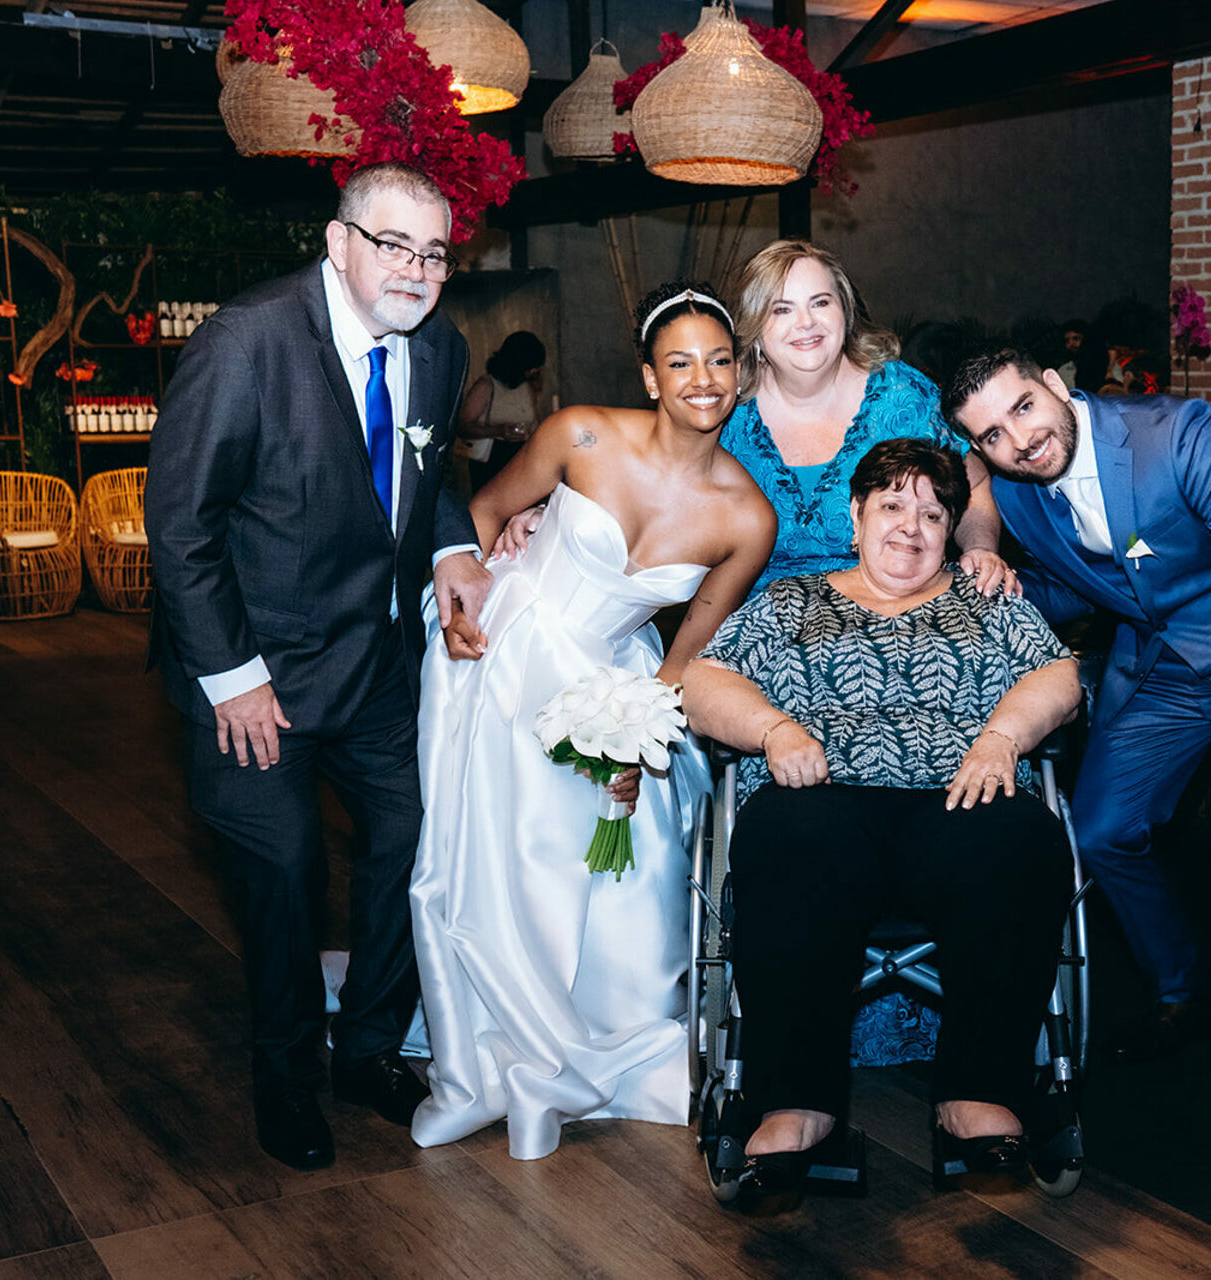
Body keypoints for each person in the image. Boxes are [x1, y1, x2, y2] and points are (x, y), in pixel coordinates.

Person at [146, 163, 493, 1171]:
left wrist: (451, 544)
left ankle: (370, 1047)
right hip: (256, 671)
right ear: (339, 243)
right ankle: (287, 1073)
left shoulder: (439, 346)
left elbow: (425, 470)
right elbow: (182, 526)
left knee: (415, 838)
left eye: (435, 253)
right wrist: (232, 676)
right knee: (285, 871)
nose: (417, 270)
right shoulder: (246, 343)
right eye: (394, 245)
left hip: (376, 664)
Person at [410, 282, 776, 1160]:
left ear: (740, 375)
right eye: (680, 363)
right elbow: (483, 515)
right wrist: (459, 611)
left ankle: (592, 1030)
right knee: (516, 841)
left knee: (627, 857)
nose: (702, 379)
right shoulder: (578, 433)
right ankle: (499, 1035)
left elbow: (685, 654)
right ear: (650, 378)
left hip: (617, 684)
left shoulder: (748, 517)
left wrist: (639, 738)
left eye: (718, 361)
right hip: (502, 653)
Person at [683, 439, 1080, 1207]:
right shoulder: (791, 601)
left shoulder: (988, 600)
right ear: (856, 515)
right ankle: (796, 1106)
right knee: (787, 842)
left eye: (932, 514)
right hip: (821, 799)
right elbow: (704, 681)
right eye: (892, 506)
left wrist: (1001, 737)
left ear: (951, 530)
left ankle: (978, 1096)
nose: (911, 527)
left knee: (1023, 839)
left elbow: (1057, 674)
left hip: (961, 797)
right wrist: (774, 729)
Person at [945, 347, 1211, 1120]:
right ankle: (1185, 988)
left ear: (1053, 385)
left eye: (1022, 408)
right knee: (1098, 832)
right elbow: (1087, 587)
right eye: (991, 436)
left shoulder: (1178, 434)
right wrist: (1005, 590)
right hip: (1159, 671)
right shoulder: (1018, 494)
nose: (1018, 441)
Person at [720, 239, 1016, 597]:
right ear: (754, 325)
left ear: (845, 311)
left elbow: (976, 485)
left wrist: (980, 548)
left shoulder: (903, 397)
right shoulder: (726, 410)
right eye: (781, 309)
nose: (806, 322)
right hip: (763, 619)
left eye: (821, 303)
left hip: (889, 609)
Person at [455, 330, 545, 491]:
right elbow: (462, 426)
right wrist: (499, 431)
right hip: (492, 460)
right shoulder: (486, 385)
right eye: (529, 368)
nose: (531, 372)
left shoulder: (526, 385)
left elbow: (533, 421)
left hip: (520, 458)